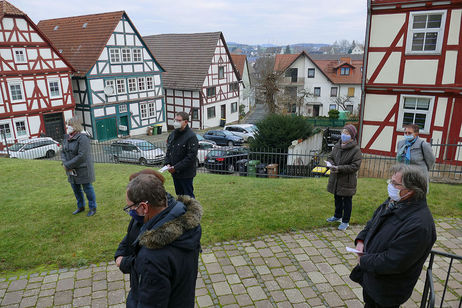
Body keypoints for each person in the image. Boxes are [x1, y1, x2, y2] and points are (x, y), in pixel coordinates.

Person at [350, 164, 436, 308]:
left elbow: (394, 261)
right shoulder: (396, 201)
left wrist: (363, 260)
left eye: (395, 183)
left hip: (388, 289)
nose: (390, 186)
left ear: (411, 190)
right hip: (374, 277)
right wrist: (361, 240)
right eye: (390, 181)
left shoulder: (419, 226)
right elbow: (374, 222)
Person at [123, 174, 202, 307]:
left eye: (130, 207)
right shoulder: (186, 222)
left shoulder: (152, 257)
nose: (130, 211)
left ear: (144, 207)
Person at [114, 169, 174, 276]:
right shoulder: (142, 214)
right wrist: (119, 254)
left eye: (132, 205)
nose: (131, 210)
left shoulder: (162, 232)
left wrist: (124, 263)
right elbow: (130, 235)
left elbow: (148, 264)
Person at [326, 124, 362, 230]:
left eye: (347, 133)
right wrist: (331, 164)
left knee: (347, 201)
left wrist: (339, 168)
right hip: (336, 178)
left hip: (347, 180)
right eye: (343, 132)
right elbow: (330, 157)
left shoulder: (356, 150)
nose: (344, 135)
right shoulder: (337, 145)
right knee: (337, 197)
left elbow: (355, 166)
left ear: (352, 136)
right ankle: (337, 216)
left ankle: (345, 221)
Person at [61, 116, 97, 217]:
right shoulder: (67, 137)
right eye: (67, 125)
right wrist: (65, 163)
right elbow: (63, 151)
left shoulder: (83, 138)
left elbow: (82, 156)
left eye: (70, 125)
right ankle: (80, 206)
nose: (68, 127)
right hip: (71, 169)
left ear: (75, 126)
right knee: (76, 189)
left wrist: (68, 165)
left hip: (82, 168)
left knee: (87, 188)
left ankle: (92, 207)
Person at [164, 111, 199, 198]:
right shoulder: (172, 134)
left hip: (186, 173)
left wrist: (176, 167)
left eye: (179, 121)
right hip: (175, 173)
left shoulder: (191, 137)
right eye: (175, 120)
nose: (176, 123)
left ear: (186, 122)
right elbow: (169, 150)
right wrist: (167, 163)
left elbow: (191, 157)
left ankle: (193, 211)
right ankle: (181, 211)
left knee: (188, 196)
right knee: (179, 195)